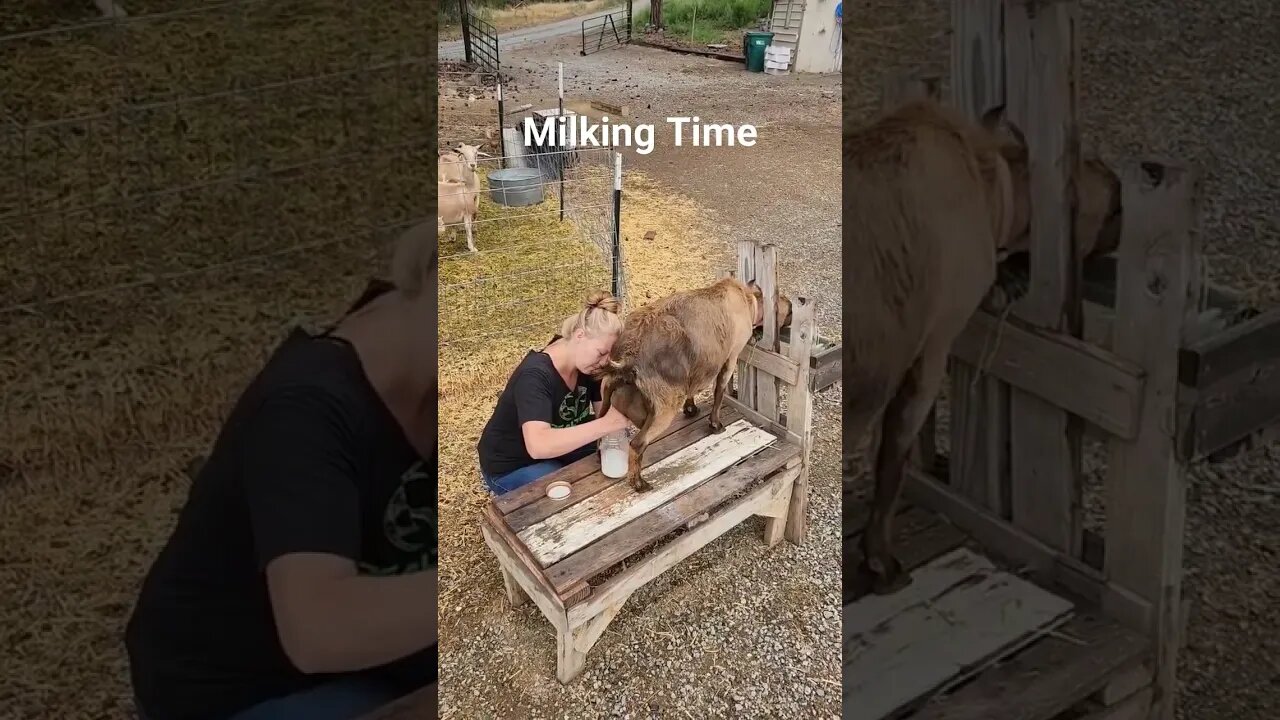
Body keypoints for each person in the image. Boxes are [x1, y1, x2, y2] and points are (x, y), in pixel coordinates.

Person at [124, 221, 439, 720]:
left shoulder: (426, 371)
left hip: (364, 661)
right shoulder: (308, 407)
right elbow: (319, 630)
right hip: (241, 689)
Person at [476, 291, 633, 494]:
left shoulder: (587, 364)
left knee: (600, 461)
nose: (604, 363)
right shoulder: (535, 376)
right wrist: (607, 424)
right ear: (579, 336)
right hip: (512, 465)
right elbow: (538, 445)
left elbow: (603, 412)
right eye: (601, 353)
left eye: (609, 357)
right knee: (566, 486)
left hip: (556, 449)